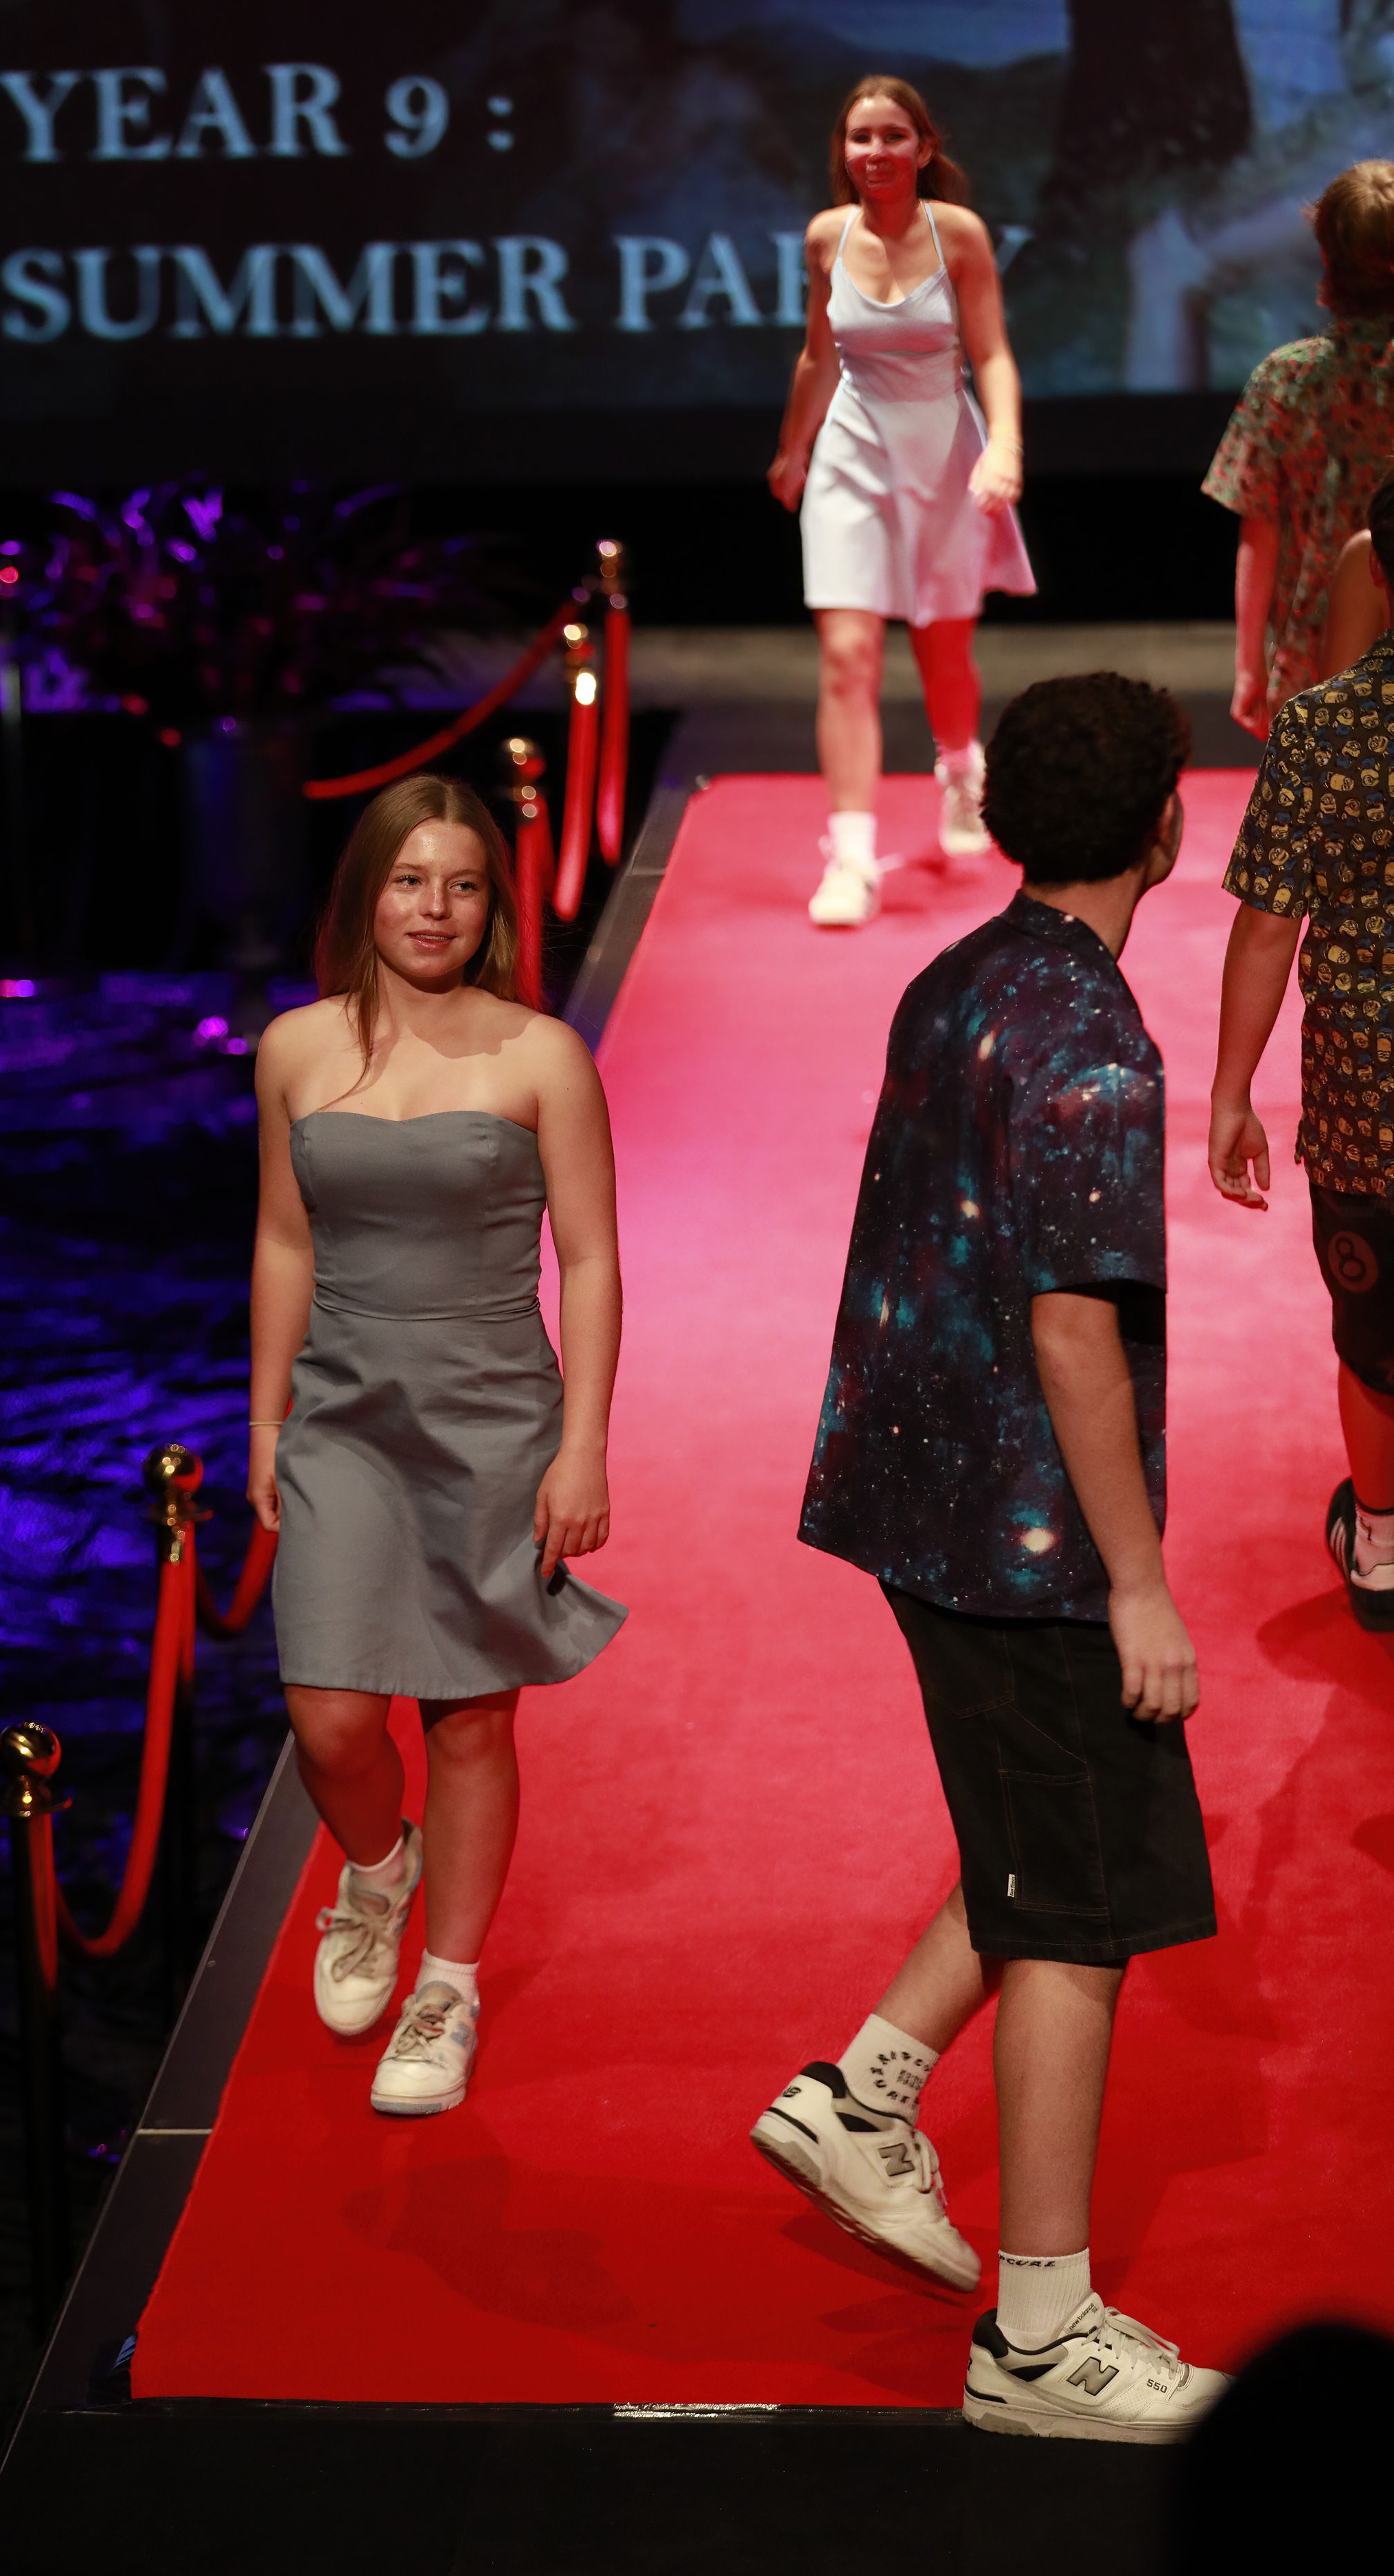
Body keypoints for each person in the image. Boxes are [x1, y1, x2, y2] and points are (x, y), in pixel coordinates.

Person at [755, 675, 1227, 2441]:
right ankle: (1039, 2333)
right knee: (1080, 1915)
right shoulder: (1093, 1042)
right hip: (1025, 1545)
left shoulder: (952, 975)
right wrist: (1138, 1583)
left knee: (1041, 1842)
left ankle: (863, 2093)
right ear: (1162, 824)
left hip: (914, 1503)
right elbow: (1072, 1329)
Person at [248, 773, 626, 2114]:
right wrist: (265, 1417)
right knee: (331, 1716)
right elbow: (283, 1240)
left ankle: (447, 1988)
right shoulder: (294, 1049)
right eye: (410, 881)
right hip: (343, 1415)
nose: (434, 908)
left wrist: (583, 1445)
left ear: (490, 905)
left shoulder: (539, 1055)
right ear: (367, 892)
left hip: (492, 1417)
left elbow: (590, 1259)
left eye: (461, 885)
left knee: (471, 1720)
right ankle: (377, 1869)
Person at [767, 75, 1034, 930]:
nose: (875, 152)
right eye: (860, 138)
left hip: (944, 455)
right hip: (850, 456)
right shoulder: (826, 237)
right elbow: (819, 356)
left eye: (892, 136)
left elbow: (991, 354)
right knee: (848, 655)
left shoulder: (958, 233)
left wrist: (1005, 445)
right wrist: (794, 448)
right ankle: (851, 858)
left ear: (923, 148)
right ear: (842, 152)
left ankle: (959, 767)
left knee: (941, 651)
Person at [1209, 468, 1394, 1630]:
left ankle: (1379, 1541)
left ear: (1379, 577)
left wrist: (1231, 1091)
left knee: (1376, 1341)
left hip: (1366, 1106)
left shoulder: (1322, 727)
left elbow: (1269, 922)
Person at [1204, 160, 1394, 743]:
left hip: (1314, 664)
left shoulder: (1285, 378)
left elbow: (1259, 535)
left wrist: (1248, 665)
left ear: (1328, 259)